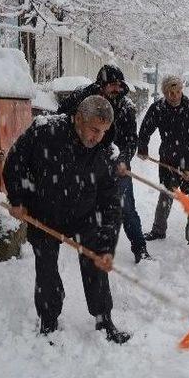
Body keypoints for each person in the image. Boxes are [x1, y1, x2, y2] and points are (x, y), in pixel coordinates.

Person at [3, 95, 130, 345]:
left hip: (84, 216)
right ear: (79, 118)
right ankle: (49, 320)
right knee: (46, 268)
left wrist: (106, 248)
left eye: (103, 131)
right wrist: (17, 199)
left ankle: (104, 319)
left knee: (95, 264)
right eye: (94, 129)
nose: (97, 137)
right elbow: (14, 163)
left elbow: (111, 204)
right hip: (44, 213)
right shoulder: (44, 131)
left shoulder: (104, 153)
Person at [58, 65, 151, 264]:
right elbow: (61, 117)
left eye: (119, 85)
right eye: (112, 85)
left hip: (117, 164)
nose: (117, 89)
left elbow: (130, 140)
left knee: (126, 208)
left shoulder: (125, 107)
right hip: (87, 162)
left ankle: (140, 248)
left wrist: (123, 160)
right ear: (101, 85)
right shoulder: (83, 98)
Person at [137, 75, 189, 244]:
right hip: (169, 159)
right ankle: (158, 230)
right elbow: (145, 129)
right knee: (167, 193)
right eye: (170, 92)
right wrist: (142, 147)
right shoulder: (158, 108)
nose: (175, 96)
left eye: (178, 92)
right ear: (165, 93)